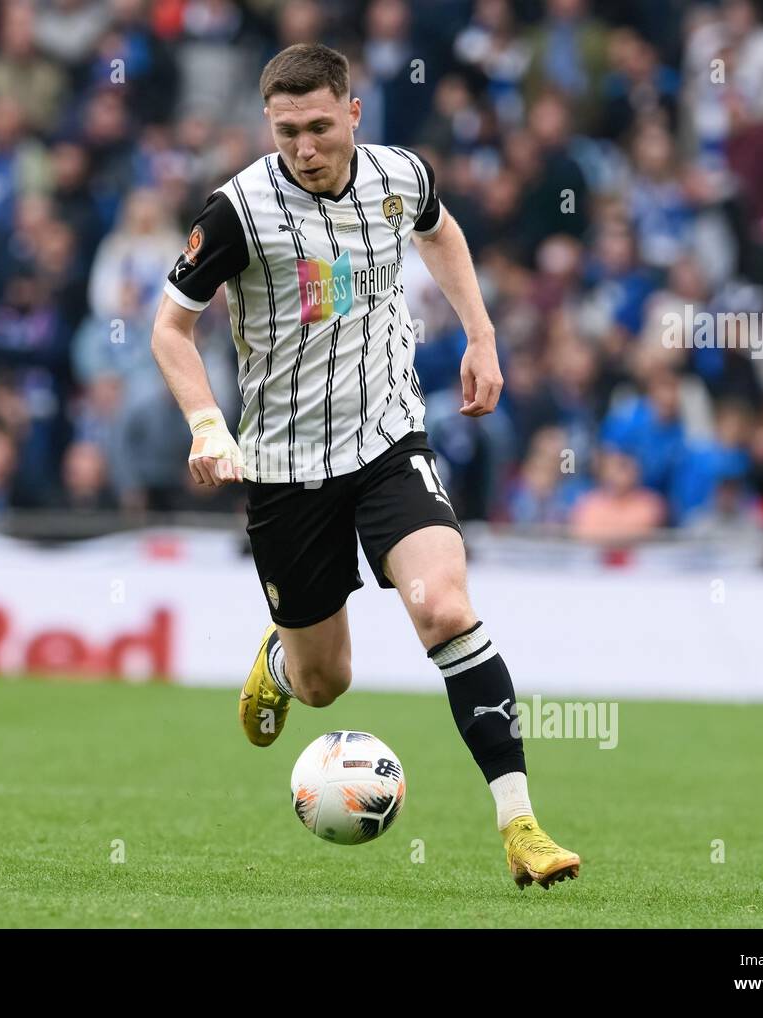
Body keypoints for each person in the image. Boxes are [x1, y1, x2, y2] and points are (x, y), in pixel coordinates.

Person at [150, 43, 579, 889]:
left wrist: (483, 336)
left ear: (353, 112)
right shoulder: (238, 210)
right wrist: (207, 424)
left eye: (317, 127)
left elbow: (442, 232)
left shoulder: (400, 176)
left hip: (389, 441)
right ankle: (281, 661)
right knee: (325, 682)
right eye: (285, 133)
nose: (303, 148)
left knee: (445, 608)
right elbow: (171, 328)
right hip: (284, 465)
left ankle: (521, 825)